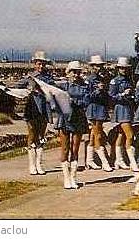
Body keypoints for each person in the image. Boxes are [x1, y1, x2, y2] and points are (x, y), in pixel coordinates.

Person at [57, 61, 88, 190]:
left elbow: (86, 100)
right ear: (68, 72)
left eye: (77, 72)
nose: (75, 74)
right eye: (73, 71)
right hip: (65, 118)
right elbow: (55, 101)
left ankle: (73, 177)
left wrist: (74, 101)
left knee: (75, 148)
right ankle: (66, 178)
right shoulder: (62, 86)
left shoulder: (84, 86)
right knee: (65, 148)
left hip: (78, 117)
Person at [20, 52, 53, 176]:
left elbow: (53, 89)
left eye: (43, 64)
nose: (41, 66)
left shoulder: (48, 77)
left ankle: (39, 164)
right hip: (32, 107)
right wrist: (29, 89)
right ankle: (31, 164)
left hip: (44, 107)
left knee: (41, 135)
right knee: (32, 133)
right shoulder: (30, 76)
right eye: (39, 64)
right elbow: (19, 87)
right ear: (34, 64)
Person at [108, 56, 138, 174]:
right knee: (130, 135)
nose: (124, 70)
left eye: (125, 68)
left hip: (128, 108)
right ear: (118, 69)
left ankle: (118, 160)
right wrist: (122, 94)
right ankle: (132, 162)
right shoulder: (115, 81)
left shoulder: (129, 80)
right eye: (122, 68)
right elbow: (111, 96)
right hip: (121, 109)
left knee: (121, 135)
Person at [84, 55, 113, 172]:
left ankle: (89, 160)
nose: (98, 68)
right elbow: (87, 97)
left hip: (101, 108)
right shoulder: (89, 80)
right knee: (98, 135)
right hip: (93, 108)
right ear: (92, 66)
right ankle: (104, 161)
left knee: (93, 135)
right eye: (96, 66)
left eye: (100, 66)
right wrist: (97, 90)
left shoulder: (102, 78)